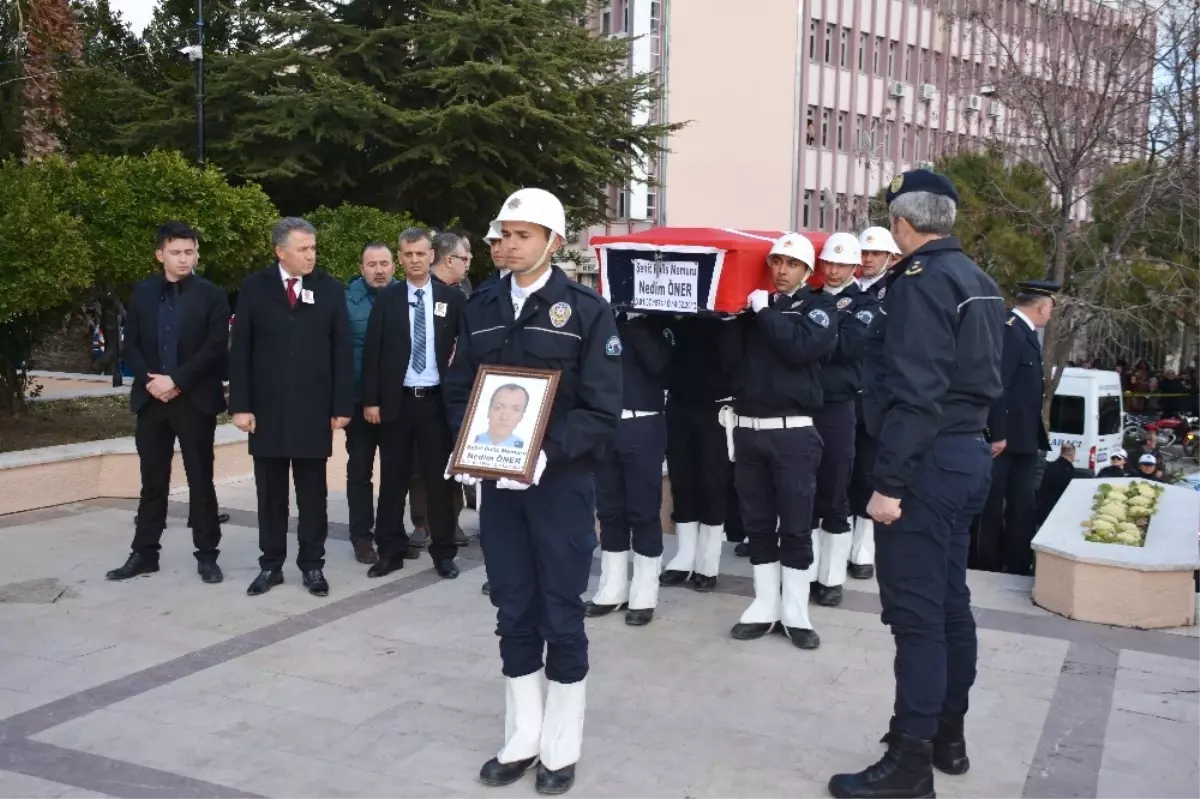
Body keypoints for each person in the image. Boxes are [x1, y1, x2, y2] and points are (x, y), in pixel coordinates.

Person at [829, 169, 1004, 799]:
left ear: (903, 224)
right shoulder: (978, 280)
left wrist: (890, 484)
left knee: (918, 618)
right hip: (965, 456)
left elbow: (918, 393)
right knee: (950, 605)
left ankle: (909, 763)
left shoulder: (922, 283)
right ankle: (946, 738)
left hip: (927, 463)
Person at [444, 188, 621, 794]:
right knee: (513, 606)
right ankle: (522, 733)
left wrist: (548, 451)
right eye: (500, 235)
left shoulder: (587, 311)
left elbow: (603, 407)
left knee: (562, 612)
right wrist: (465, 447)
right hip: (499, 487)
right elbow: (459, 386)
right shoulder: (482, 304)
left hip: (560, 486)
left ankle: (561, 743)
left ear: (551, 240)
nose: (505, 244)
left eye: (520, 235)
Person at [228, 217, 355, 598]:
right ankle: (271, 566)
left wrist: (341, 404)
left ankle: (312, 565)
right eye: (303, 249)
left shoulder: (330, 290)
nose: (311, 255)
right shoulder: (254, 288)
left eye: (313, 248)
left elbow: (342, 351)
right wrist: (240, 405)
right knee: (270, 494)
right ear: (280, 251)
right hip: (265, 412)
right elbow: (241, 351)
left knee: (312, 493)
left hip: (314, 409)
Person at [728, 232, 836, 649]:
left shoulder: (820, 307)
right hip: (749, 429)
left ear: (808, 271)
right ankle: (764, 603)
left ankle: (795, 608)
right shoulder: (755, 309)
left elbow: (802, 347)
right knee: (756, 523)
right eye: (776, 262)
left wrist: (766, 314)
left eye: (791, 264)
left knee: (795, 523)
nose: (781, 271)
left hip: (793, 431)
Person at [106, 222, 230, 584]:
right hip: (151, 401)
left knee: (200, 481)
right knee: (152, 483)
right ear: (160, 254)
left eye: (189, 252)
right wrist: (153, 381)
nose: (183, 259)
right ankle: (144, 554)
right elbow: (132, 346)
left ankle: (207, 555)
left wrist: (176, 380)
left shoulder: (212, 295)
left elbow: (214, 347)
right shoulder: (143, 293)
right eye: (176, 252)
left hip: (194, 401)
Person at [360, 229, 467, 580]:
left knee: (440, 481)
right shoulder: (388, 300)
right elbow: (373, 353)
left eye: (421, 253)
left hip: (435, 404)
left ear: (431, 255)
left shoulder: (451, 300)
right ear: (400, 258)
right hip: (397, 403)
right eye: (408, 254)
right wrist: (371, 400)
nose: (415, 259)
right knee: (393, 478)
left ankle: (444, 552)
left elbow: (463, 352)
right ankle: (390, 550)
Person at [586, 310, 673, 626]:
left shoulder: (657, 323)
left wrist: (636, 323)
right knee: (610, 511)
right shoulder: (602, 318)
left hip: (643, 424)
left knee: (643, 510)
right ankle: (612, 587)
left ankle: (644, 592)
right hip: (606, 425)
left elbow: (661, 366)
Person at [808, 232, 878, 608]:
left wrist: (813, 337)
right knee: (803, 492)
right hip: (804, 403)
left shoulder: (867, 305)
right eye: (828, 263)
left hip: (838, 406)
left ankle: (831, 576)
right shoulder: (812, 299)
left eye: (840, 264)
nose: (833, 270)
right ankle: (805, 570)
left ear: (854, 266)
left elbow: (849, 347)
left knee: (835, 489)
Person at [979, 280, 1059, 576]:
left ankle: (1015, 560)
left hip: (1023, 437)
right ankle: (985, 560)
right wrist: (996, 433)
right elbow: (998, 385)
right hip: (1005, 439)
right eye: (1050, 308)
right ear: (1042, 306)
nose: (1050, 314)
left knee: (1022, 504)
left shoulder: (1023, 332)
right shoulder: (1010, 331)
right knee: (992, 505)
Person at [660, 315, 742, 592]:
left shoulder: (728, 318)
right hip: (679, 404)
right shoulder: (671, 317)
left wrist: (726, 320)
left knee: (712, 482)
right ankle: (685, 556)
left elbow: (733, 361)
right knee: (681, 481)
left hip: (716, 406)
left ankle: (707, 562)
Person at [846, 226, 901, 580]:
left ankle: (863, 547)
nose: (867, 260)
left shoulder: (894, 292)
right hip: (844, 393)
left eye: (874, 255)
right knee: (842, 471)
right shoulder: (846, 291)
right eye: (863, 254)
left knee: (868, 470)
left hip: (874, 395)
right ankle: (840, 538)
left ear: (889, 258)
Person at [343, 242, 398, 565]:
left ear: (394, 266)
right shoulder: (346, 302)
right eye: (372, 264)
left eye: (384, 263)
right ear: (361, 267)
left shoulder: (407, 297)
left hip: (396, 402)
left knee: (395, 472)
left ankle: (390, 534)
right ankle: (361, 537)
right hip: (358, 401)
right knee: (359, 472)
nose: (379, 270)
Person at [1036, 443, 1075, 526]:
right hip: (1055, 513)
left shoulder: (1049, 466)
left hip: (1040, 511)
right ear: (1073, 454)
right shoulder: (1069, 472)